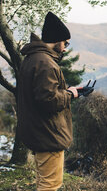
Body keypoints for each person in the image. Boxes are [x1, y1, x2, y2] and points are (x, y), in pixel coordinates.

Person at [17, 11, 79, 191]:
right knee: (50, 185)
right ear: (57, 40)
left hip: (39, 131)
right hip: (48, 134)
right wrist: (70, 94)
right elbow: (48, 100)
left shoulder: (33, 59)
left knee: (45, 182)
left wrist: (66, 92)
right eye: (65, 43)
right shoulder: (45, 63)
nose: (66, 48)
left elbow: (43, 95)